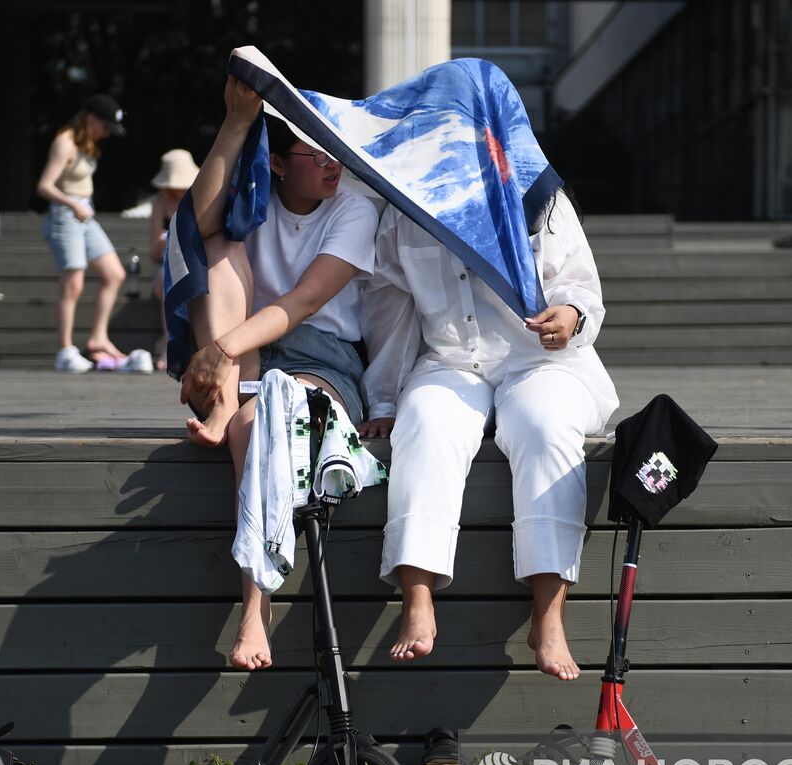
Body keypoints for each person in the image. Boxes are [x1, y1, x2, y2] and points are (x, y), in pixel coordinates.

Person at [358, 189, 617, 682]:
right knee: (426, 421)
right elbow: (389, 307)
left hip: (542, 360)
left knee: (545, 424)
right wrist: (387, 399)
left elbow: (581, 290)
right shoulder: (404, 204)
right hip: (452, 360)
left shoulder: (542, 195)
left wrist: (571, 317)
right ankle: (417, 595)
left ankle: (548, 614)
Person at [176, 77, 380, 671]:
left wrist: (219, 350)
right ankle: (225, 405)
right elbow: (196, 221)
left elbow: (305, 302)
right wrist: (237, 123)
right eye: (313, 153)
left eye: (333, 150)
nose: (330, 163)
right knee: (215, 248)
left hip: (323, 361)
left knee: (261, 424)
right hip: (252, 358)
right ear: (279, 165)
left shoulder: (355, 209)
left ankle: (256, 600)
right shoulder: (257, 194)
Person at [35, 93, 129, 372]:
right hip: (66, 215)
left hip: (83, 213)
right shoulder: (64, 143)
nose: (107, 135)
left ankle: (98, 338)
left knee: (115, 274)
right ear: (91, 120)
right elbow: (44, 186)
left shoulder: (86, 144)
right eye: (105, 128)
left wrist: (81, 204)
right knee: (73, 283)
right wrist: (72, 203)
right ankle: (65, 350)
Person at [149, 148, 199, 369]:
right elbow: (153, 254)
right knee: (165, 279)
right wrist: (164, 241)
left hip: (195, 262)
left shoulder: (199, 196)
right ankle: (171, 344)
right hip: (168, 265)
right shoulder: (160, 203)